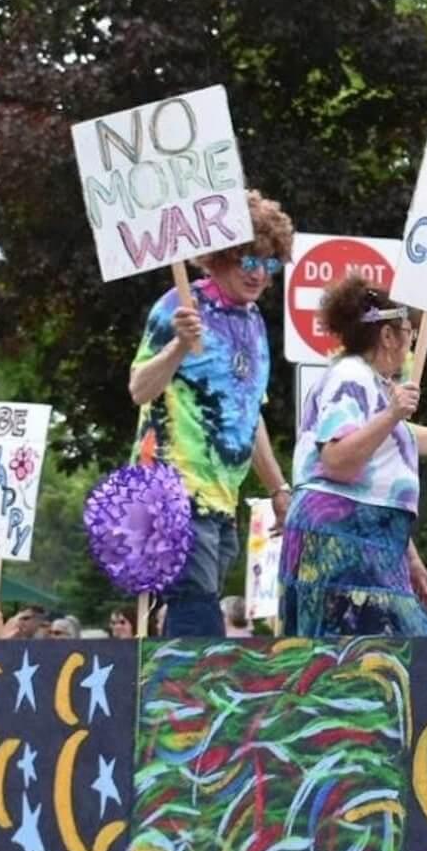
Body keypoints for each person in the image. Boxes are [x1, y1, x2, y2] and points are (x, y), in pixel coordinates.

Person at [129, 192, 295, 638]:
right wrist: (179, 345)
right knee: (198, 610)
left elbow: (248, 414)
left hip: (223, 498)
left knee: (196, 603)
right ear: (220, 256)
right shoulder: (177, 308)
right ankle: (190, 703)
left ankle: (168, 697)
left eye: (270, 264)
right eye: (248, 260)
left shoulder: (254, 322)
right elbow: (139, 388)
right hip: (172, 491)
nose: (259, 274)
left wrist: (278, 487)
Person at [280, 278, 427, 637]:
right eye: (409, 332)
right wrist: (391, 415)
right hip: (342, 541)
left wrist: (410, 556)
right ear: (387, 336)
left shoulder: (372, 387)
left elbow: (417, 445)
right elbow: (338, 461)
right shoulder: (350, 377)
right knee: (380, 652)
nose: (412, 342)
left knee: (376, 654)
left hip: (368, 539)